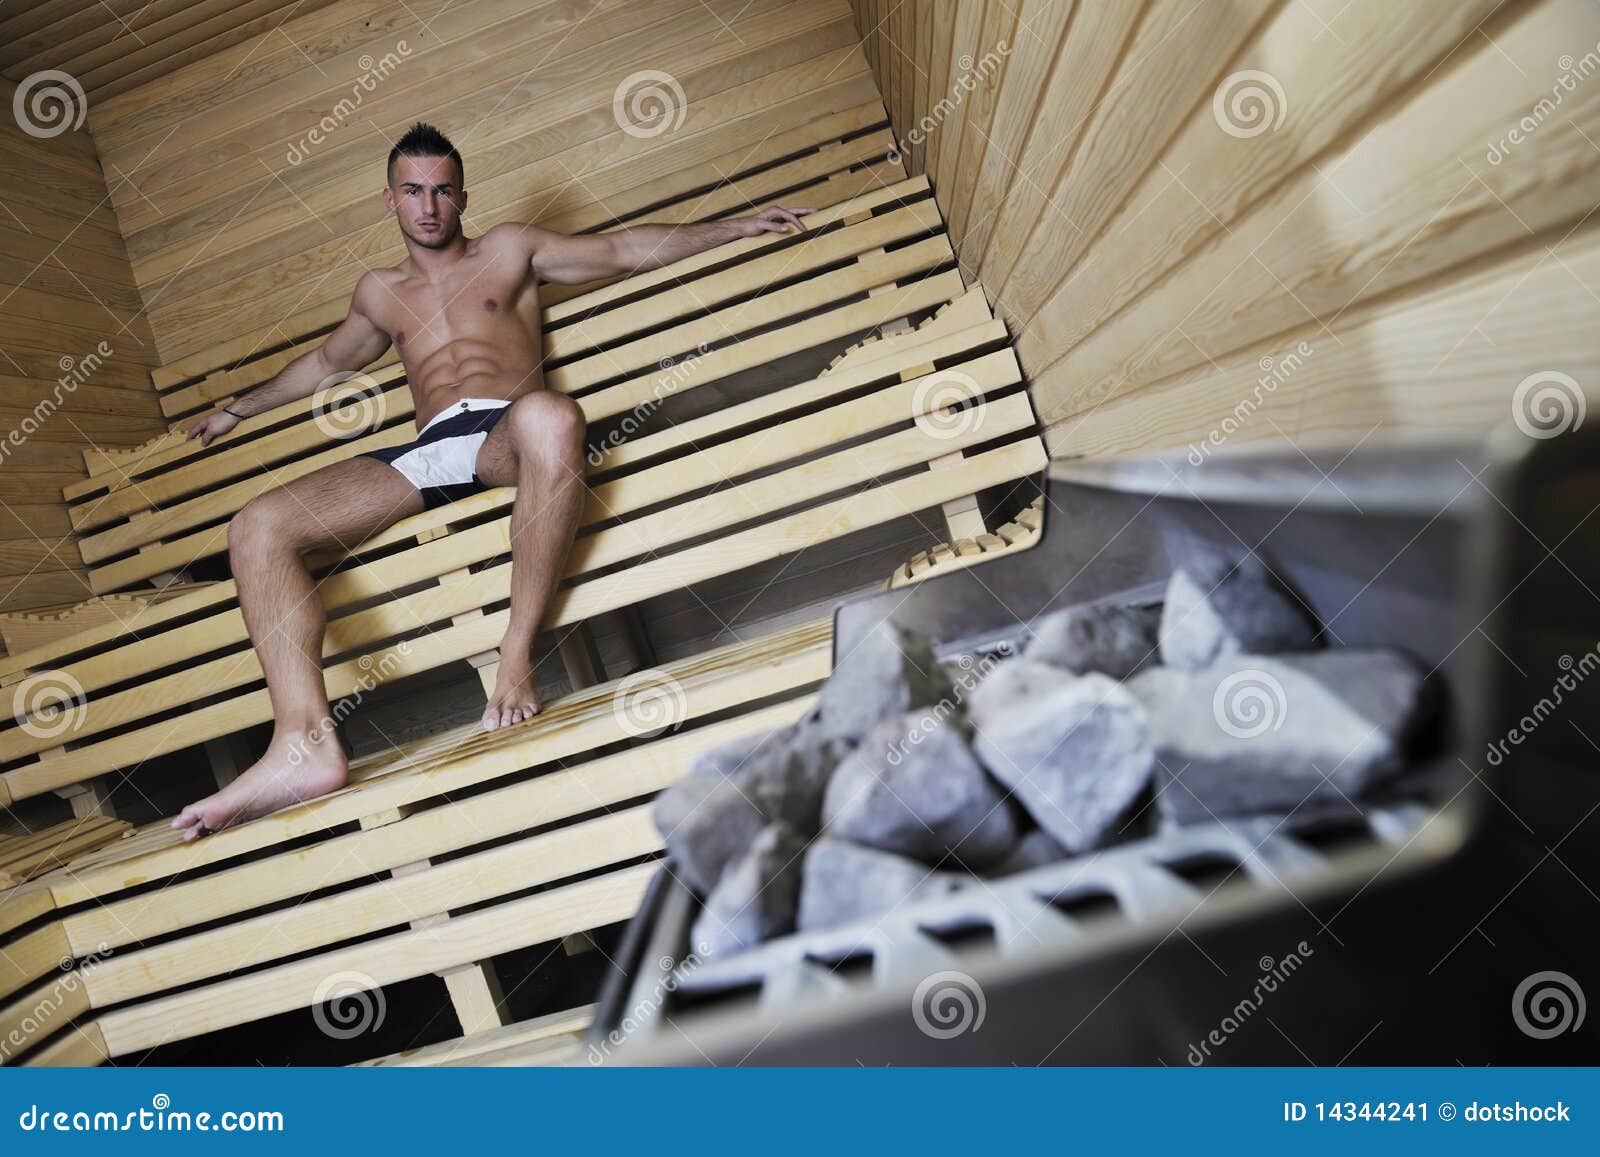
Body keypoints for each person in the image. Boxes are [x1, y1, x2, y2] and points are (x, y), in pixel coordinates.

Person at [172, 122, 812, 840]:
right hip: (427, 450)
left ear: (462, 196)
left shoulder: (510, 250)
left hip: (503, 433)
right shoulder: (380, 291)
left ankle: (516, 655)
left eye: (443, 190)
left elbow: (623, 249)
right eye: (413, 191)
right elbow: (326, 366)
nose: (429, 205)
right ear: (390, 200)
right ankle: (303, 741)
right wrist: (237, 408)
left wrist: (734, 226)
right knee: (256, 525)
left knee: (552, 418)